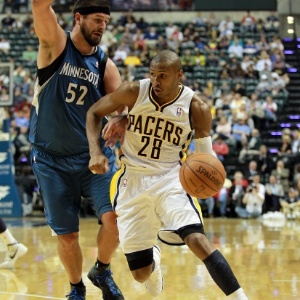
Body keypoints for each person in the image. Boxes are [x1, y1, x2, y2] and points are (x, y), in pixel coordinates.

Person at [86, 50, 248, 299]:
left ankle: (240, 297)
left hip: (171, 178)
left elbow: (205, 158)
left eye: (163, 76)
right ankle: (154, 254)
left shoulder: (197, 108)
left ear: (179, 75)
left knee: (197, 240)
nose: (156, 81)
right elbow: (93, 112)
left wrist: (209, 178)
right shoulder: (133, 92)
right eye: (152, 75)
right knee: (140, 274)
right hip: (132, 180)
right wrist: (95, 151)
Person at [28, 0, 125, 299]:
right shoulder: (55, 44)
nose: (102, 27)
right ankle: (76, 288)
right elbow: (39, 7)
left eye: (106, 22)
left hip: (93, 157)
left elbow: (122, 105)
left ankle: (102, 269)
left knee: (116, 219)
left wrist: (122, 117)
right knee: (68, 237)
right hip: (51, 160)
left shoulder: (104, 65)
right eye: (97, 20)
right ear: (78, 17)